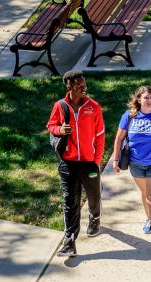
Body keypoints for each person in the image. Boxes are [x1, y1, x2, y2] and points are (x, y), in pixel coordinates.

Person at [46, 70, 105, 257]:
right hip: (68, 163)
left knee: (94, 195)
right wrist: (60, 129)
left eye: (84, 83)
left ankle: (95, 218)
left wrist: (96, 161)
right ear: (69, 86)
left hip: (89, 162)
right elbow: (50, 126)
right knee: (70, 201)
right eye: (79, 85)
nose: (83, 87)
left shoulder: (93, 107)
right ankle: (69, 240)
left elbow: (100, 135)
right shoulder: (60, 106)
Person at [111, 86, 151, 250]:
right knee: (145, 193)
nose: (149, 100)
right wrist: (116, 159)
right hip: (136, 163)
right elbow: (119, 139)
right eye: (146, 97)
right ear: (138, 99)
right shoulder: (130, 116)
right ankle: (149, 218)